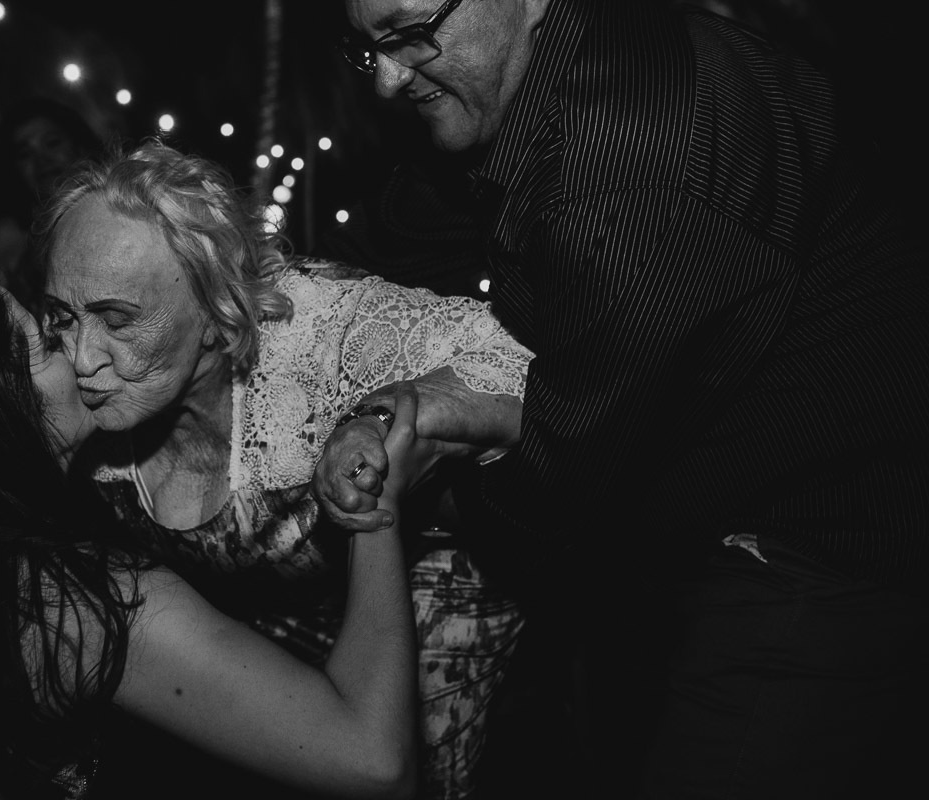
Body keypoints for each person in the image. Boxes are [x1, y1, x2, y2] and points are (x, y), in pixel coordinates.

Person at [327, 0, 929, 797]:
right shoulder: (593, 50)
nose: (390, 79)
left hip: (825, 546)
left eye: (409, 33)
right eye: (370, 50)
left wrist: (445, 469)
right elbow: (413, 220)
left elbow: (564, 488)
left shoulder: (617, 169)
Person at [0, 262, 428, 800]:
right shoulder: (60, 602)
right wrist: (369, 500)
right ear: (0, 412)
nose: (74, 343)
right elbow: (372, 759)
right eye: (43, 340)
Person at [37, 139, 534, 799]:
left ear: (217, 314)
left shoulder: (315, 335)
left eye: (116, 320)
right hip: (270, 644)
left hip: (419, 626)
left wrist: (376, 423)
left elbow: (515, 359)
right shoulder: (73, 390)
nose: (79, 356)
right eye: (63, 318)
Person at [0, 97, 104, 315]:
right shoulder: (10, 238)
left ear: (79, 147)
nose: (41, 159)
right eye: (25, 154)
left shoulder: (112, 214)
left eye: (52, 143)